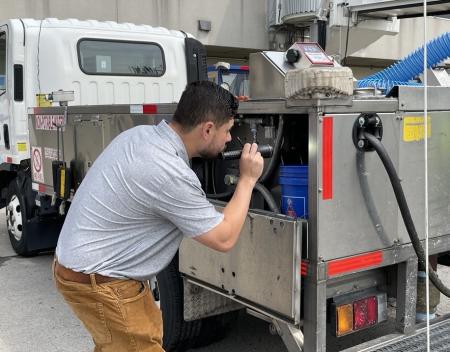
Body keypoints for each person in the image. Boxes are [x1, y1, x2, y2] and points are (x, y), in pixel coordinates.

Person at [53, 80, 264, 352]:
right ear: (207, 129)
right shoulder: (168, 171)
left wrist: (222, 101)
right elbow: (223, 238)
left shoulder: (141, 135)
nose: (229, 140)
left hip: (84, 267)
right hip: (101, 282)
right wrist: (247, 179)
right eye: (227, 131)